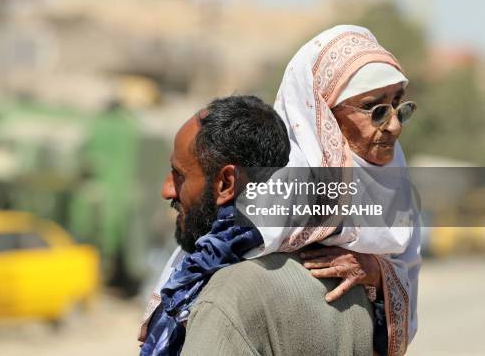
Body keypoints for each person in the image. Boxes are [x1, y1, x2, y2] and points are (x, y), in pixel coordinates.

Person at [139, 95, 376, 356]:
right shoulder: (355, 277)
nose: (167, 190)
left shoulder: (224, 295)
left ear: (226, 183)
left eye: (179, 175)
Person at [269, 24, 421, 356]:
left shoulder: (397, 183)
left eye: (398, 105)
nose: (394, 125)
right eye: (376, 110)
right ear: (324, 113)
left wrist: (376, 272)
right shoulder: (279, 189)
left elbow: (406, 277)